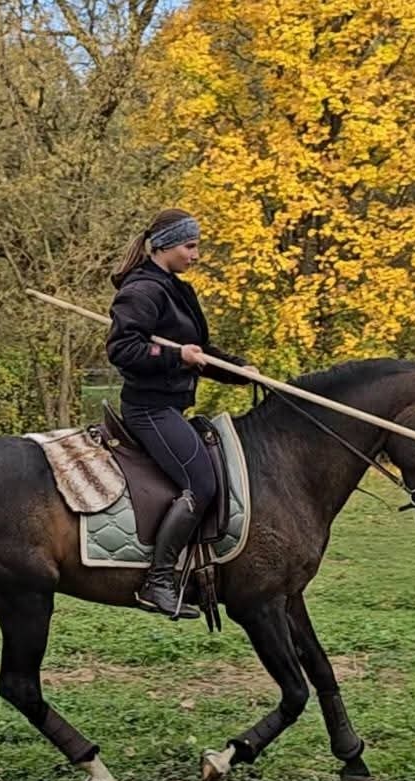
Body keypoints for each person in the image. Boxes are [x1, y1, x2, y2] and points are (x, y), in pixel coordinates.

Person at [107, 208, 255, 619]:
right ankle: (158, 582)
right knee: (201, 483)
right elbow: (123, 350)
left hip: (171, 405)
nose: (196, 254)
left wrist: (239, 371)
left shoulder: (176, 289)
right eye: (190, 246)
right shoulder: (142, 291)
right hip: (149, 409)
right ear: (166, 245)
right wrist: (174, 356)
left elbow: (199, 352)